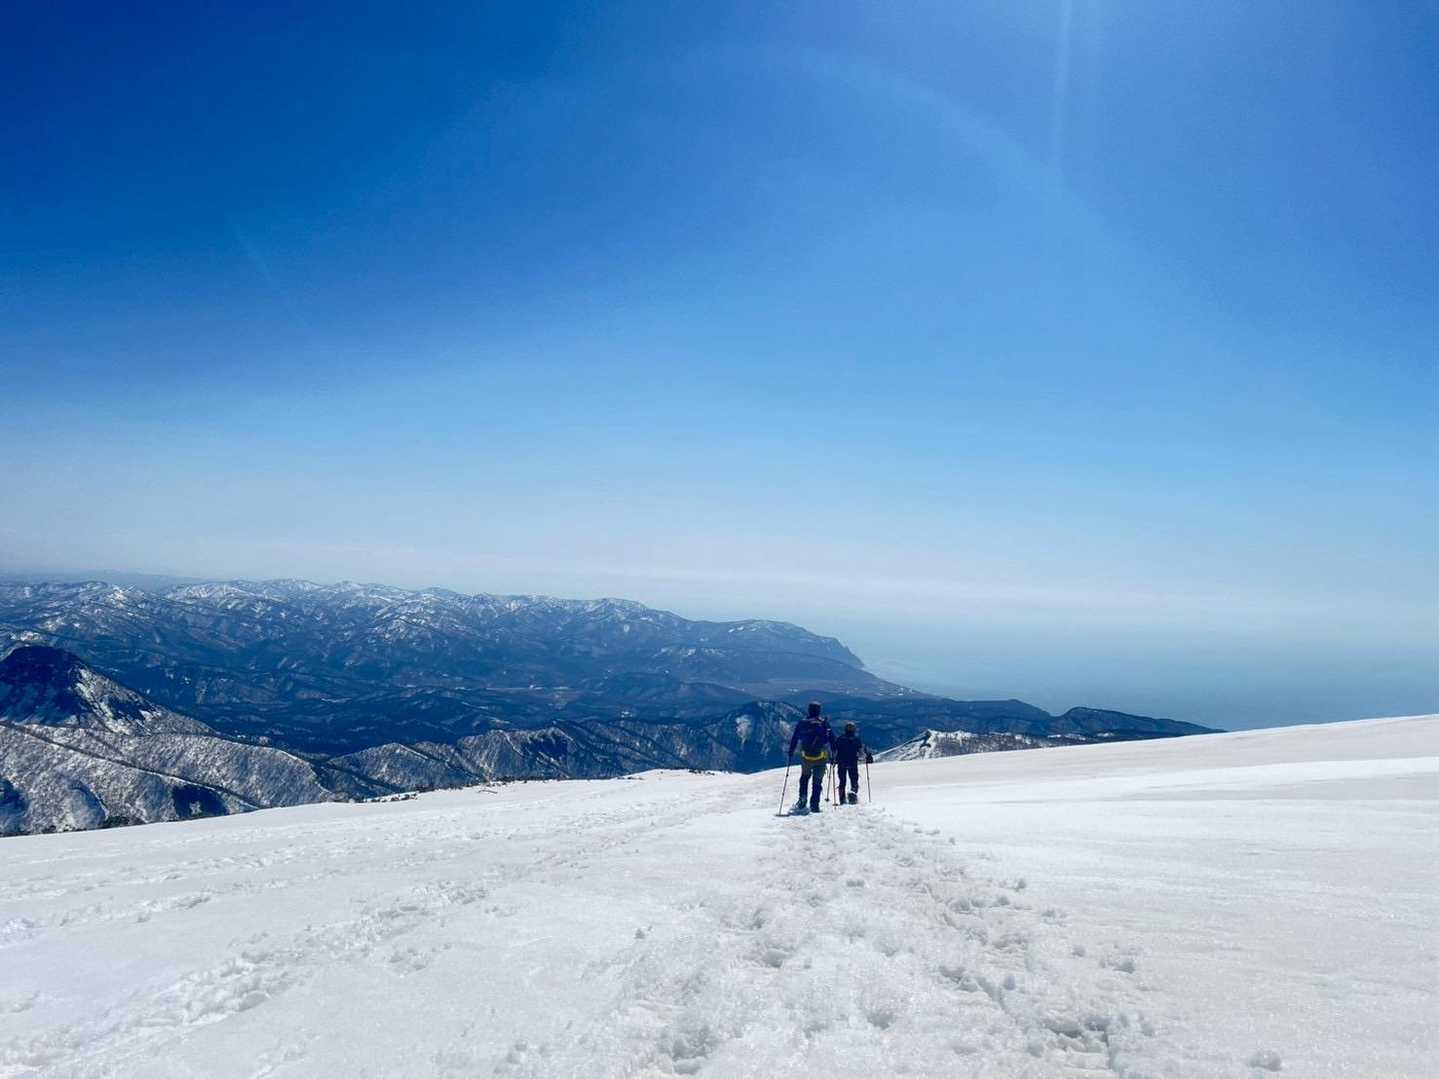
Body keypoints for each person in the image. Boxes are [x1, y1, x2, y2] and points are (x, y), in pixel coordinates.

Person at [787, 701, 834, 814]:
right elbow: (832, 740)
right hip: (821, 757)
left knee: (804, 778)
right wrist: (833, 754)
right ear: (819, 711)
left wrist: (791, 751)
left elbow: (795, 738)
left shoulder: (802, 723)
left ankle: (802, 800)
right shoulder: (824, 724)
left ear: (809, 710)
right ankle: (814, 805)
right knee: (817, 781)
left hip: (806, 757)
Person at [833, 721, 872, 805]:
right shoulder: (856, 739)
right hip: (852, 763)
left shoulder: (840, 739)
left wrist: (833, 760)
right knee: (854, 780)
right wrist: (865, 757)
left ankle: (842, 799)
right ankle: (852, 796)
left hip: (841, 763)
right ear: (854, 730)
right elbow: (861, 753)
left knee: (842, 781)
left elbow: (835, 751)